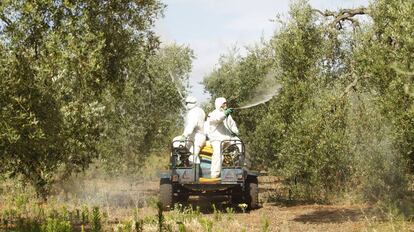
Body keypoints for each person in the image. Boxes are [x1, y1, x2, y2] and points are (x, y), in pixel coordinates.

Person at [207, 97, 239, 178]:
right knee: (217, 154)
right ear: (219, 104)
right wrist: (225, 114)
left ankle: (237, 167)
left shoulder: (228, 115)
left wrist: (236, 131)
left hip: (226, 138)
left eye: (226, 103)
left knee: (239, 144)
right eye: (224, 103)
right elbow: (218, 119)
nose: (226, 105)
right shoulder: (213, 114)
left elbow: (232, 125)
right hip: (216, 139)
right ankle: (215, 174)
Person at [177, 96, 206, 164]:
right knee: (188, 153)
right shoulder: (200, 110)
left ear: (189, 103)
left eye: (186, 103)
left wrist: (184, 135)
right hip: (197, 136)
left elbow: (191, 125)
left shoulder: (193, 112)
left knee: (192, 156)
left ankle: (194, 172)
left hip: (196, 137)